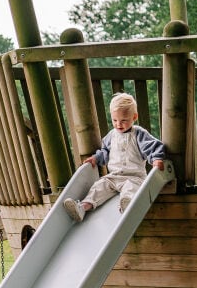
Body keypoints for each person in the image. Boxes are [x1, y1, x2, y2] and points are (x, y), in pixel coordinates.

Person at [62, 92, 167, 223]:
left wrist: (156, 158)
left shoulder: (138, 133)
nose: (118, 124)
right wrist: (95, 158)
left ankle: (127, 205)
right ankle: (82, 208)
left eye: (124, 120)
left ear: (134, 117)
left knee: (130, 189)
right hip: (113, 177)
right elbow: (104, 151)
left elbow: (153, 146)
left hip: (134, 177)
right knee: (98, 187)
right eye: (115, 120)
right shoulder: (111, 135)